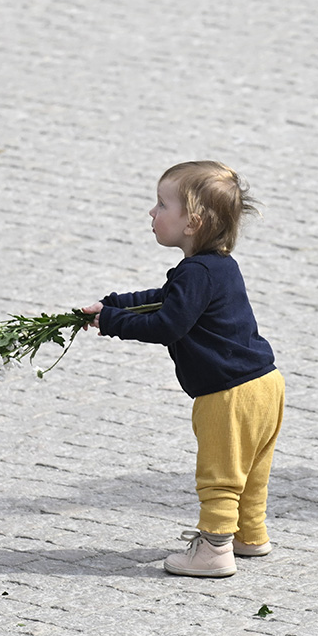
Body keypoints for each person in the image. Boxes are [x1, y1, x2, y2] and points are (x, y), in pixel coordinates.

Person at [82, 161, 284, 579]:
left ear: (191, 222)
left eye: (161, 205)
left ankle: (213, 549)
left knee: (221, 474)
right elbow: (168, 298)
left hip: (227, 394)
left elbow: (167, 323)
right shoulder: (217, 265)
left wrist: (112, 323)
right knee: (252, 470)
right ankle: (250, 535)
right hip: (266, 384)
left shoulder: (197, 272)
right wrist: (115, 303)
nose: (151, 213)